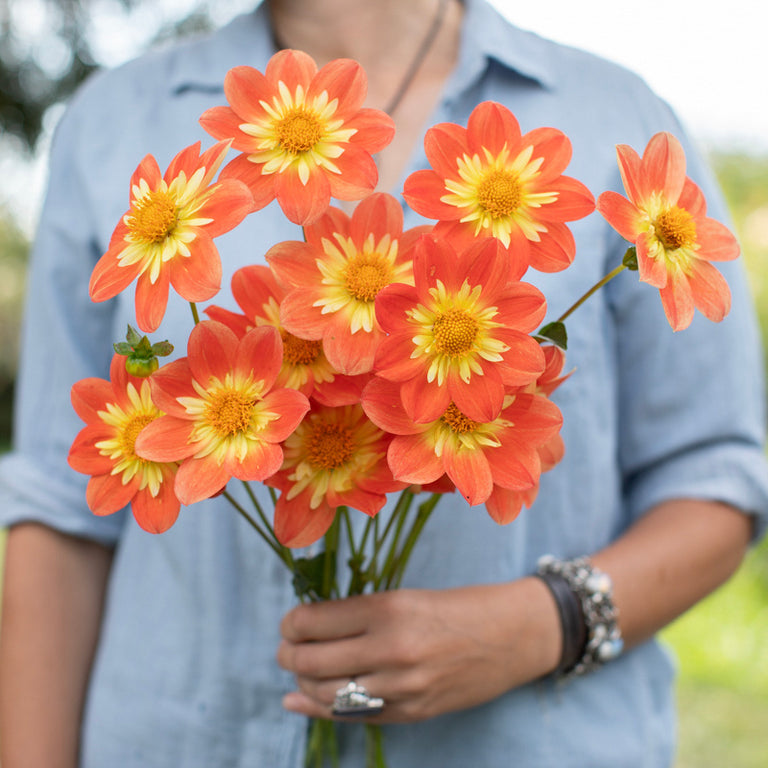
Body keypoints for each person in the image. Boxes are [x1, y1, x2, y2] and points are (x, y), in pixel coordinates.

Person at [1, 0, 766, 766]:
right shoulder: (111, 120)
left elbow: (716, 474)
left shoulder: (614, 112)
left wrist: (541, 623)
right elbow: (60, 508)